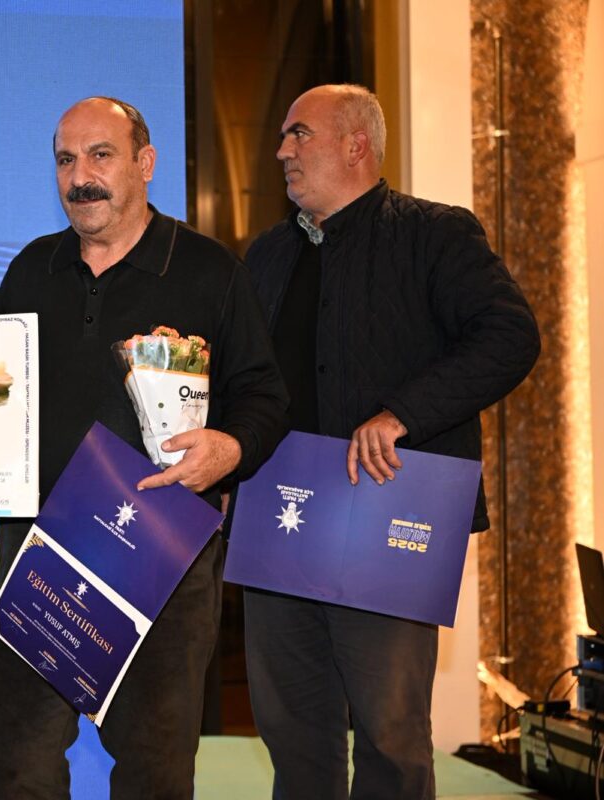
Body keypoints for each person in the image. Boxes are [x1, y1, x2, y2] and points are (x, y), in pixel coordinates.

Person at [0, 96, 290, 799]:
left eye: (100, 155)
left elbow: (264, 396)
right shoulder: (33, 268)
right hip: (41, 552)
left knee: (155, 769)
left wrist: (229, 446)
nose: (80, 177)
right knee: (21, 766)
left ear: (145, 163)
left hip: (162, 550)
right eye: (66, 160)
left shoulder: (209, 270)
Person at [240, 84, 540, 800]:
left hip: (390, 517)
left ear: (356, 145)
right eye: (283, 136)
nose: (282, 151)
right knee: (292, 737)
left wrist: (402, 413)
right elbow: (247, 379)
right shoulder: (266, 255)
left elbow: (510, 336)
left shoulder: (435, 234)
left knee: (390, 737)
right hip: (280, 521)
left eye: (299, 134)